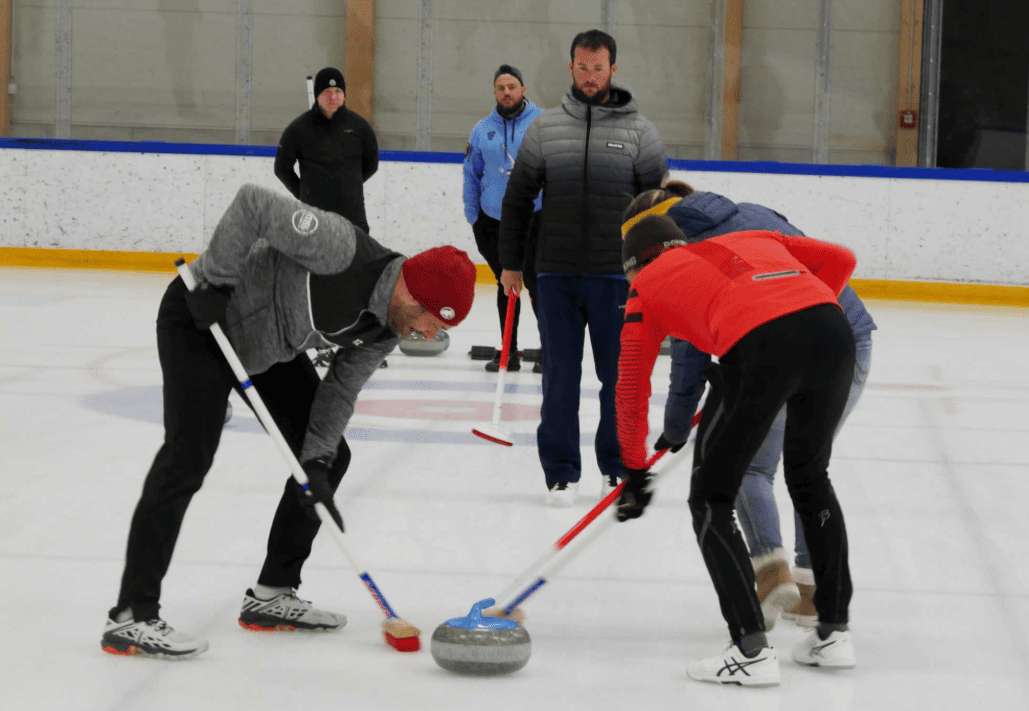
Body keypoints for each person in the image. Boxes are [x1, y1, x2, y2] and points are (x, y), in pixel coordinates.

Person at [101, 183, 476, 660]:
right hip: (202, 321)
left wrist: (315, 462)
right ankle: (131, 615)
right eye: (430, 318)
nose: (428, 332)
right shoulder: (341, 248)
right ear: (410, 288)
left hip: (267, 352)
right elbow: (252, 204)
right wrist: (216, 281)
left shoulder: (386, 329)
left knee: (328, 456)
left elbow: (339, 391)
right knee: (188, 457)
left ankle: (272, 594)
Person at [615, 214, 858, 687]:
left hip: (764, 345)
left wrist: (634, 467)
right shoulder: (750, 236)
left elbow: (630, 385)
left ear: (632, 266)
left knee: (710, 499)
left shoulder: (644, 286)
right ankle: (833, 635)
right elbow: (842, 259)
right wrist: (807, 307)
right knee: (810, 478)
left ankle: (749, 650)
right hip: (831, 332)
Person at [499, 29, 668, 506]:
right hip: (554, 274)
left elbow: (657, 209)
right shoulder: (546, 128)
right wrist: (511, 263)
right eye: (582, 67)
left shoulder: (642, 132)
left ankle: (613, 466)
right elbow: (517, 200)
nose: (589, 76)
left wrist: (655, 272)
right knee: (558, 375)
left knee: (618, 376)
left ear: (613, 69)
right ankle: (560, 471)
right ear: (571, 68)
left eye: (598, 68)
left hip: (617, 277)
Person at [463, 64, 544, 373]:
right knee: (504, 285)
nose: (507, 92)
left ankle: (549, 352)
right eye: (501, 87)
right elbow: (471, 174)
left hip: (534, 219)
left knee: (538, 285)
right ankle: (508, 351)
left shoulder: (541, 123)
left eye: (512, 86)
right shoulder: (483, 129)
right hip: (492, 222)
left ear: (523, 90)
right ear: (495, 92)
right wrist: (473, 216)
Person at [274, 67, 379, 234]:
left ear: (344, 94)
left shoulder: (360, 128)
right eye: (327, 91)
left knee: (356, 260)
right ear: (317, 94)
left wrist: (350, 186)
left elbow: (372, 165)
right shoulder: (299, 128)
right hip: (314, 220)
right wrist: (304, 193)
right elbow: (281, 168)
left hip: (353, 218)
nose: (333, 97)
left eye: (338, 91)